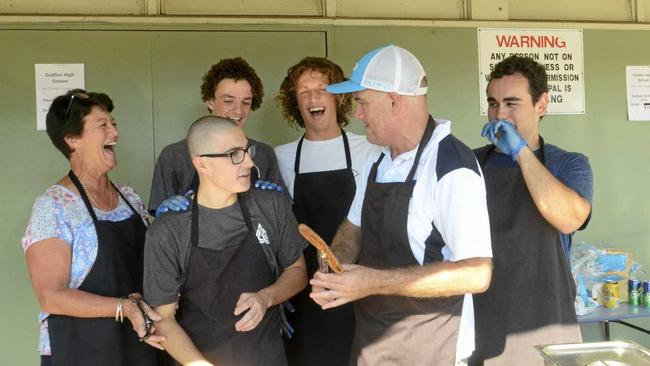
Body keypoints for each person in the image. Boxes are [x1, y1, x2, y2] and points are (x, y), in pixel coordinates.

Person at [309, 45, 493, 366]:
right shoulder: (377, 158)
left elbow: (477, 274)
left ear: (394, 101)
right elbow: (353, 228)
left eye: (362, 103)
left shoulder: (451, 167)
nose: (357, 115)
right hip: (373, 345)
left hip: (430, 350)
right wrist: (334, 266)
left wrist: (371, 282)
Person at [143, 116, 307, 366]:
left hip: (266, 356)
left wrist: (267, 297)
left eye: (247, 150)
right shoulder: (168, 231)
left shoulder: (271, 205)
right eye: (234, 154)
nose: (250, 163)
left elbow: (297, 271)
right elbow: (163, 319)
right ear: (202, 164)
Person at [22, 89, 164, 366]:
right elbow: (50, 296)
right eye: (103, 125)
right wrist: (124, 307)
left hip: (139, 345)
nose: (114, 132)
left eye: (114, 124)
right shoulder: (53, 206)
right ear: (72, 139)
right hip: (81, 349)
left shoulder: (129, 197)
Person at [469, 55, 593, 365]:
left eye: (512, 104)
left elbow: (568, 219)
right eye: (493, 103)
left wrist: (521, 153)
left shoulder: (569, 163)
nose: (500, 115)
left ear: (541, 104)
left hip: (548, 322)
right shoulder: (468, 164)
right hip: (481, 322)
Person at [274, 57, 379, 365]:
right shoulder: (281, 157)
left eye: (322, 88)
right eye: (303, 91)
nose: (313, 97)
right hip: (306, 295)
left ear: (338, 97)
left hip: (359, 289)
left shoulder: (369, 149)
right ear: (295, 101)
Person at [149, 57, 287, 216]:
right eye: (228, 101)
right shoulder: (174, 156)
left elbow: (281, 217)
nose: (238, 111)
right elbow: (163, 226)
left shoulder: (264, 153)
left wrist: (275, 199)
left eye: (246, 102)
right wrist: (165, 212)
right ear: (210, 101)